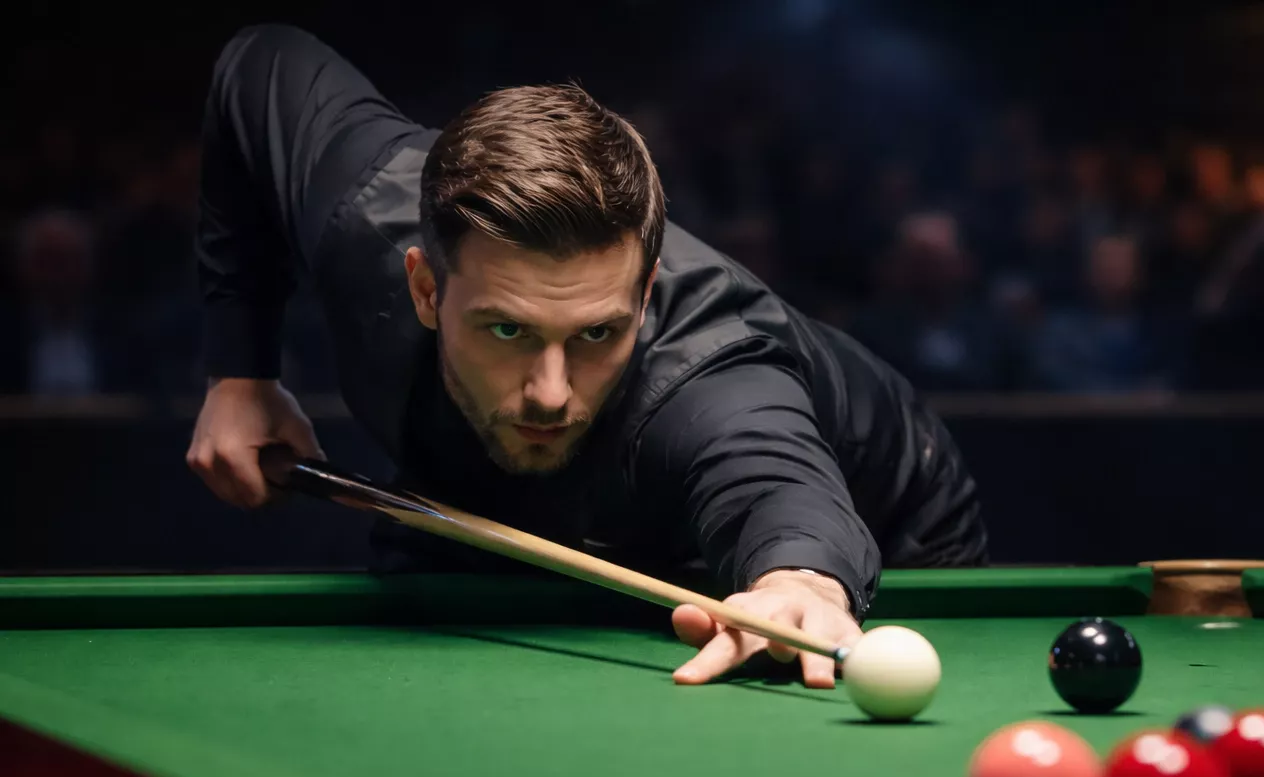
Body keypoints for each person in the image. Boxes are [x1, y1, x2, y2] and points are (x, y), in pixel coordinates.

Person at [185, 25, 988, 690]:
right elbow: (259, 64)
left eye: (597, 333)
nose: (549, 392)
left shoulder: (710, 383)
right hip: (478, 486)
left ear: (645, 298)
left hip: (890, 517)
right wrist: (240, 373)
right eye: (507, 332)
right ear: (426, 288)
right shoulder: (360, 210)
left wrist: (800, 578)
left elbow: (775, 483)